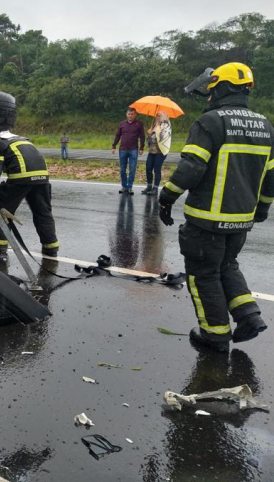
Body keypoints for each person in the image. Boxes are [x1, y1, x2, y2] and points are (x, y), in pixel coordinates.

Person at [158, 62, 274, 353]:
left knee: (204, 275)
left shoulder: (210, 122)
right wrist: (262, 210)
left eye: (211, 90)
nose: (208, 96)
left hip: (206, 221)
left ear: (220, 88)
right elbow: (271, 176)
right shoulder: (265, 125)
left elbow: (191, 167)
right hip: (242, 221)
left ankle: (215, 336)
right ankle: (249, 316)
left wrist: (167, 197)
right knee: (227, 265)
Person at [0, 131, 59, 258]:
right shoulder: (25, 140)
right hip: (42, 178)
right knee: (43, 213)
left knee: (1, 210)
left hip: (20, 178)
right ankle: (51, 248)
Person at [111, 107, 145, 194]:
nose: (130, 116)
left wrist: (141, 147)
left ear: (135, 115)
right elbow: (118, 135)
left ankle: (130, 186)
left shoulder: (139, 124)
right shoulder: (122, 124)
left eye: (132, 114)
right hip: (123, 149)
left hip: (133, 149)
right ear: (126, 115)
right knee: (122, 169)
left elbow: (142, 136)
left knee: (132, 169)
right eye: (129, 114)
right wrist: (114, 145)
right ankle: (124, 186)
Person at [141, 111, 172, 195]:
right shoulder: (154, 125)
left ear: (164, 117)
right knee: (148, 168)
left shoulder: (166, 125)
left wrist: (155, 131)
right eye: (157, 116)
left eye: (160, 116)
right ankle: (149, 186)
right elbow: (150, 140)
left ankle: (155, 188)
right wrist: (149, 134)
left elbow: (164, 137)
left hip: (160, 151)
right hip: (151, 150)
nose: (158, 117)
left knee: (157, 169)